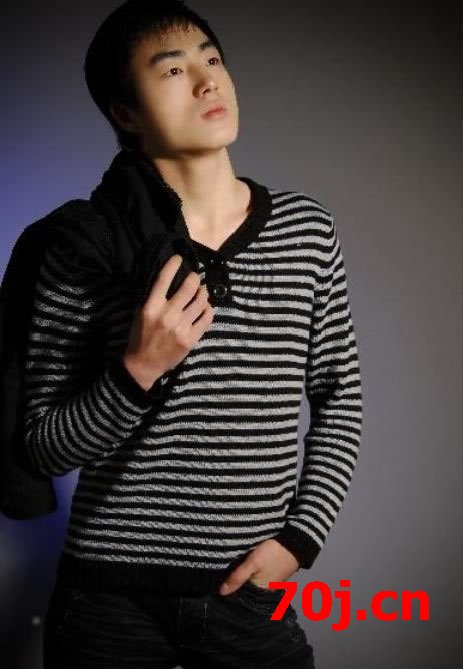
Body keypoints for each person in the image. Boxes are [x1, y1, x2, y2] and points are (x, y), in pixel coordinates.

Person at [26, 1, 363, 667]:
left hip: (246, 594)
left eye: (212, 59)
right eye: (174, 70)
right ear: (125, 112)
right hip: (106, 601)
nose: (209, 80)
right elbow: (43, 448)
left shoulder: (306, 231)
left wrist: (299, 539)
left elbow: (340, 399)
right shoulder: (85, 247)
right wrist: (137, 370)